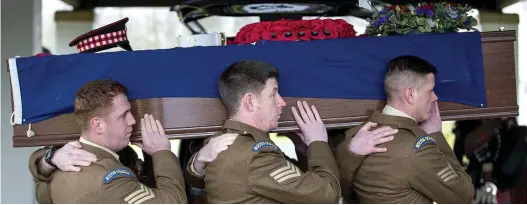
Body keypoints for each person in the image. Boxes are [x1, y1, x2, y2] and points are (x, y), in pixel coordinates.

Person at [184, 60, 396, 203]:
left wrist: (197, 162)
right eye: (273, 94)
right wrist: (318, 143)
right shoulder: (256, 154)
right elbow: (329, 194)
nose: (282, 102)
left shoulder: (218, 142)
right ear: (250, 102)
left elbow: (199, 179)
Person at [27, 79, 235, 204]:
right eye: (124, 115)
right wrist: (163, 153)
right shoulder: (109, 177)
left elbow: (42, 192)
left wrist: (48, 158)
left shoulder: (60, 163)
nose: (133, 121)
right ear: (98, 125)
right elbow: (173, 202)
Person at [336, 55, 475, 203]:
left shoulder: (355, 137)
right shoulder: (418, 148)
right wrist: (436, 135)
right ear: (410, 95)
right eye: (430, 91)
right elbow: (462, 196)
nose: (435, 97)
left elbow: (341, 191)